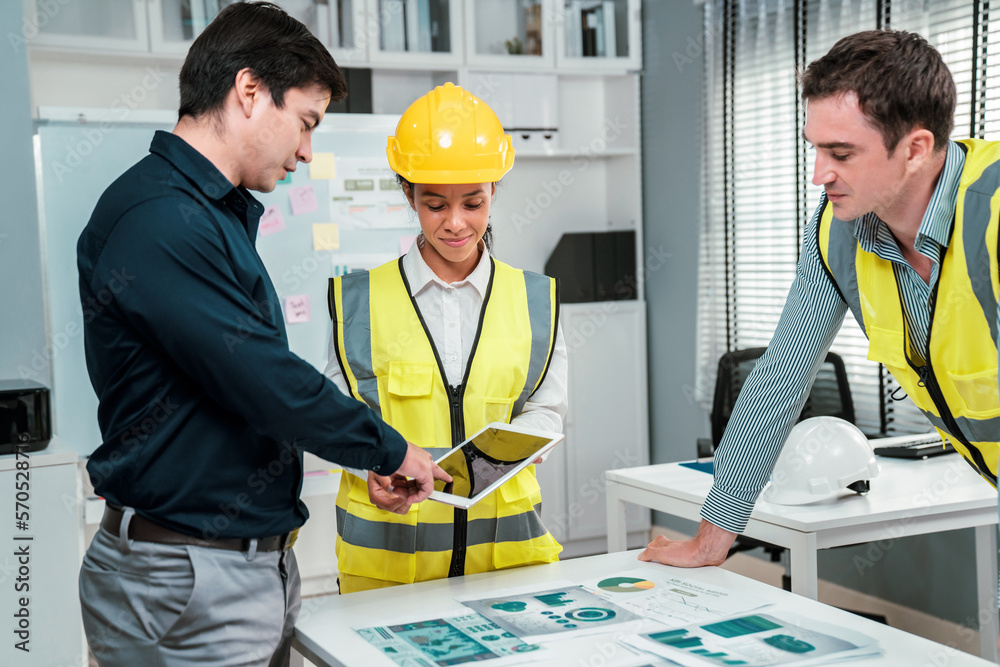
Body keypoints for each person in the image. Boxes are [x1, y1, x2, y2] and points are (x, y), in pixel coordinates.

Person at [76, 4, 448, 666]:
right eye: (305, 123)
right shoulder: (163, 219)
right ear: (250, 92)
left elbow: (239, 398)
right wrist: (387, 449)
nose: (307, 151)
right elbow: (262, 378)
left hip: (232, 568)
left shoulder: (207, 216)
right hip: (186, 580)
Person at [641, 30, 1000, 570]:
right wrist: (713, 539)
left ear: (916, 148)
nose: (819, 174)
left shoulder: (991, 214)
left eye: (842, 153)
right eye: (815, 148)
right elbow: (780, 377)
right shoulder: (838, 232)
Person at [325, 82, 567, 593]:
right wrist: (373, 462)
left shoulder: (536, 299)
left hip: (507, 565)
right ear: (408, 194)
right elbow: (333, 418)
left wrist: (526, 439)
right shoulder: (356, 302)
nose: (456, 224)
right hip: (390, 575)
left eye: (473, 203)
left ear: (494, 191)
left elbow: (548, 408)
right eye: (435, 205)